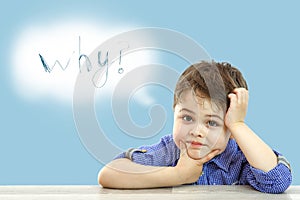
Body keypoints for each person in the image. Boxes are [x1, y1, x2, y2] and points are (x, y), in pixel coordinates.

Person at [98, 61, 292, 193]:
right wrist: (177, 174)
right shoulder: (169, 151)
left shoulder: (240, 159)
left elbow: (277, 181)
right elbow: (109, 174)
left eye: (212, 122)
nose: (197, 131)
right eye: (187, 118)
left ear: (231, 129)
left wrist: (238, 125)